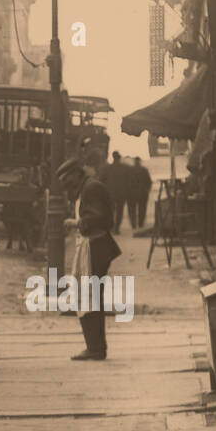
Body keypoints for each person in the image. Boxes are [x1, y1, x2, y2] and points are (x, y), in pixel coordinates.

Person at [57, 154, 121, 361]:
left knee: (89, 296)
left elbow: (99, 217)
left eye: (68, 182)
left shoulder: (91, 188)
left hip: (96, 246)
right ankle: (94, 346)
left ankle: (95, 348)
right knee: (87, 294)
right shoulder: (88, 187)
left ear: (76, 174)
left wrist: (77, 223)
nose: (67, 187)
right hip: (93, 246)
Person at [100, 150, 129, 232]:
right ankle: (117, 228)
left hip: (110, 194)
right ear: (119, 158)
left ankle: (112, 227)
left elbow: (101, 181)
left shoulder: (107, 168)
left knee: (111, 212)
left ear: (113, 157)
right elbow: (128, 182)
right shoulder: (124, 168)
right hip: (121, 194)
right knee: (120, 211)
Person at [130, 156, 153, 229]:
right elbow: (149, 181)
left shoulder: (130, 170)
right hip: (142, 193)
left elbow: (126, 182)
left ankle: (133, 224)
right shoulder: (144, 170)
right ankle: (140, 223)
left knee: (132, 210)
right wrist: (147, 190)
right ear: (140, 162)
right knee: (142, 209)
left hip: (132, 193)